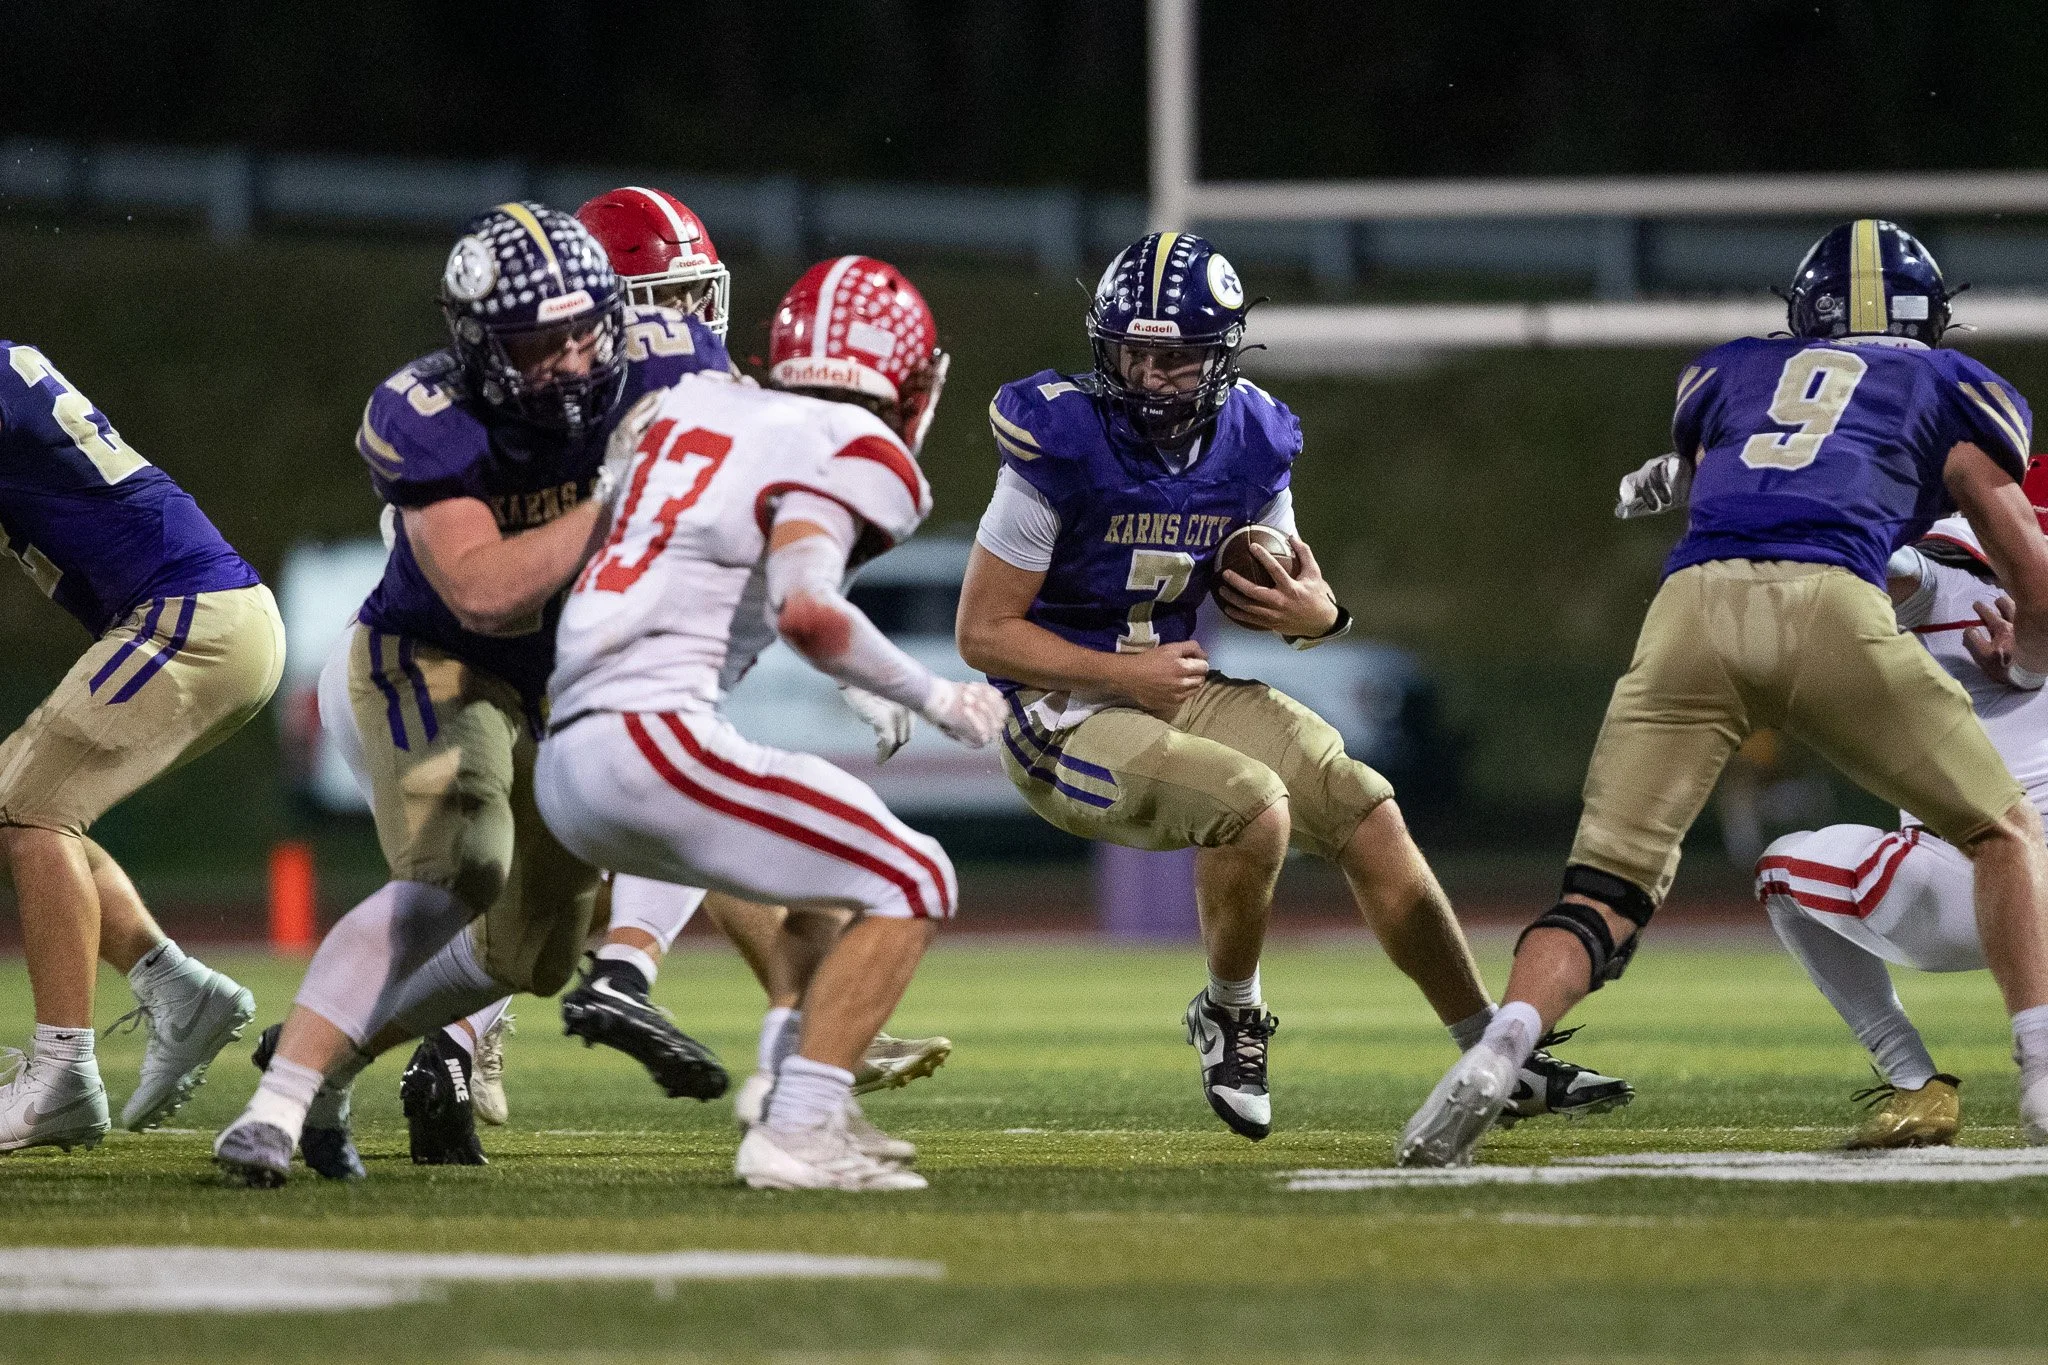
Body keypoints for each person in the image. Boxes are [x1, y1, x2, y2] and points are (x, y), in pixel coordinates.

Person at [954, 231, 1631, 1142]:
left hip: (1175, 681)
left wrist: (1323, 616)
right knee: (1252, 805)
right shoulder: (1061, 438)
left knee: (1362, 804)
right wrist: (1123, 673)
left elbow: (1290, 594)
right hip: (1060, 712)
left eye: (1177, 357)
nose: (1151, 377)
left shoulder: (1252, 438)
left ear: (1222, 355)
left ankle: (1490, 1055)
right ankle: (1230, 1013)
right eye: (1134, 354)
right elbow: (982, 633)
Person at [1400, 219, 2048, 1167]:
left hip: (1693, 606)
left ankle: (1500, 1049)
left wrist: (1667, 477)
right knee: (2001, 832)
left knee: (1603, 892)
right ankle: (2038, 1073)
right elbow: (1990, 548)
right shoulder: (1951, 392)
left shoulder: (1738, 370)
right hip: (1830, 596)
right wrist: (2028, 659)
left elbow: (1755, 462)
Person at [214, 201, 733, 1187]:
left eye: (589, 332)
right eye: (542, 343)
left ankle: (329, 1061)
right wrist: (619, 502)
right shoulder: (427, 413)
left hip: (565, 687)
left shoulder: (681, 362)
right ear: (481, 348)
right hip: (434, 659)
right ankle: (271, 1115)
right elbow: (485, 593)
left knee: (528, 957)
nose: (575, 362)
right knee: (460, 865)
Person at [431, 188, 951, 1130]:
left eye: (690, 298)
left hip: (578, 689)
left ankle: (392, 1047)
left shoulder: (686, 409)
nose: (688, 325)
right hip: (491, 686)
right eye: (658, 304)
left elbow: (769, 557)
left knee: (650, 827)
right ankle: (679, 994)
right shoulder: (526, 425)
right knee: (658, 812)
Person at [535, 255, 1005, 1191]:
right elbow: (808, 611)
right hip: (648, 736)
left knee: (834, 880)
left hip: (568, 740)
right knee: (915, 874)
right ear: (909, 385)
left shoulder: (701, 405)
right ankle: (796, 1130)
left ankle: (801, 1089)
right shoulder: (855, 447)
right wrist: (937, 697)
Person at [0, 341, 282, 1150]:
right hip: (209, 616)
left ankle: (61, 1074)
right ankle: (176, 988)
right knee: (23, 800)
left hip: (190, 614)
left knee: (31, 812)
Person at [1759, 480, 2048, 1148]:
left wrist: (1731, 476)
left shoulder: (1940, 569)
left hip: (1962, 891)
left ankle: (1915, 1081)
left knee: (1780, 870)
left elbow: (1832, 540)